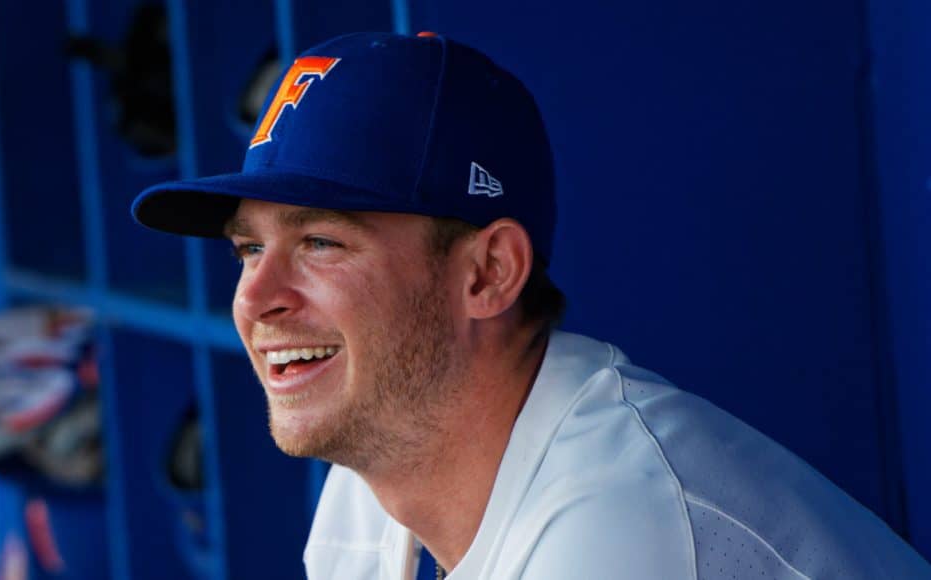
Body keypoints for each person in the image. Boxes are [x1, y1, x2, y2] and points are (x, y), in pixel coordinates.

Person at [132, 31, 931, 579]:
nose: (257, 299)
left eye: (321, 243)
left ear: (488, 272)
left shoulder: (618, 522)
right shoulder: (373, 487)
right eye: (247, 249)